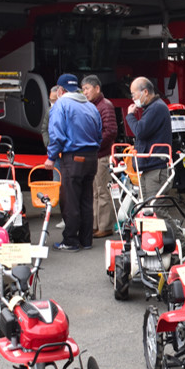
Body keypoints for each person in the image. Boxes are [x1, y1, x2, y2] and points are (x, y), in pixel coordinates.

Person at [44, 73, 102, 252]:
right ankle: (86, 240)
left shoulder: (61, 104)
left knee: (70, 200)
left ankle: (70, 240)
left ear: (60, 90)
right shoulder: (90, 106)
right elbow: (99, 133)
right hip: (92, 157)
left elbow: (57, 134)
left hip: (73, 158)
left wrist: (51, 156)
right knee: (86, 199)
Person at [125, 76, 172, 204]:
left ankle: (172, 226)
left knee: (156, 210)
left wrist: (130, 116)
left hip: (155, 168)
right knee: (146, 210)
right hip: (149, 167)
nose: (133, 98)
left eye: (134, 94)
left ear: (145, 92)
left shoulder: (156, 108)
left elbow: (140, 131)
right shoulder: (153, 107)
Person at [81, 75, 118, 238]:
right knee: (94, 191)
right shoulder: (91, 106)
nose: (85, 92)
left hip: (102, 155)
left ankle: (105, 226)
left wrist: (93, 146)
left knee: (102, 191)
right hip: (94, 155)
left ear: (97, 88)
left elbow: (110, 132)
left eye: (87, 88)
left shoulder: (105, 105)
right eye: (83, 89)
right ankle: (96, 225)